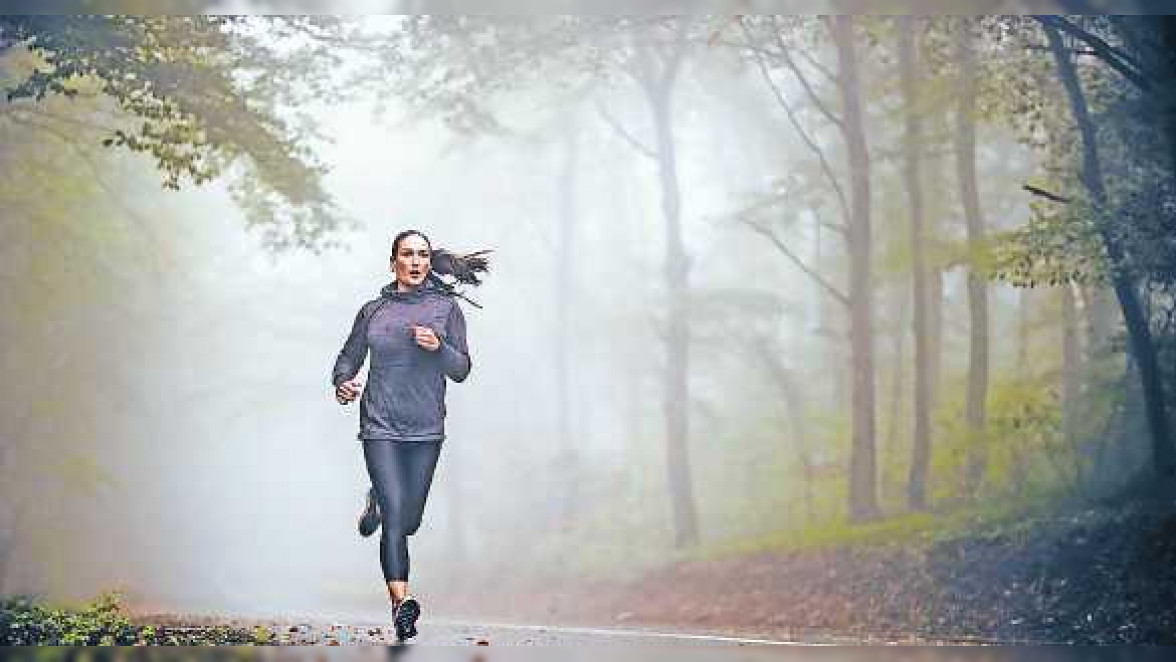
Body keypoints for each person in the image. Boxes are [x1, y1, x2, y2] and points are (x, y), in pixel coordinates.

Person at [331, 230, 489, 642]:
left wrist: (438, 347)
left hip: (425, 427)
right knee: (398, 519)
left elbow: (461, 369)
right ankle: (402, 605)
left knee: (410, 519)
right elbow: (349, 355)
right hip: (379, 425)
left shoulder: (445, 309)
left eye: (422, 255)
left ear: (428, 262)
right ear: (393, 262)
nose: (416, 261)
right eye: (407, 254)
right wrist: (343, 382)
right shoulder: (373, 311)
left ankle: (377, 502)